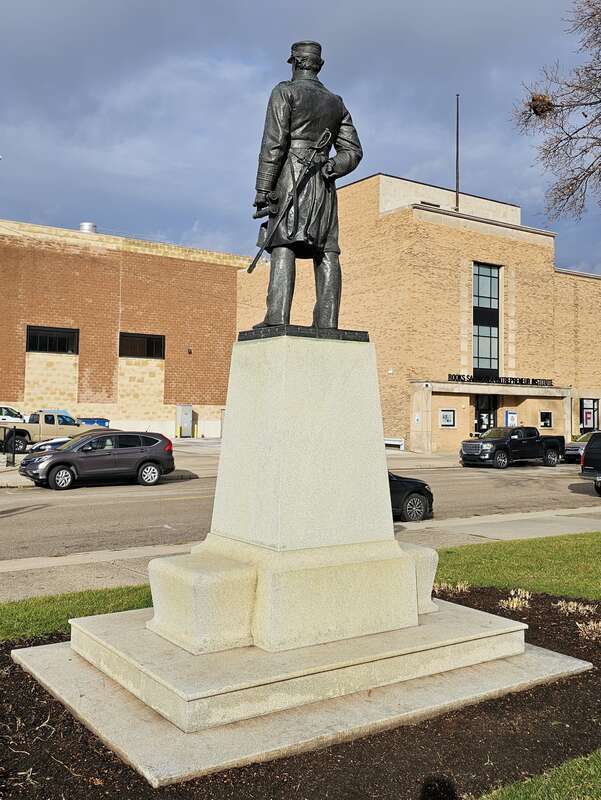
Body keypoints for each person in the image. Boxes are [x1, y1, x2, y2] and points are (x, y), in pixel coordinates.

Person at [252, 40, 363, 329]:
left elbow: (274, 145)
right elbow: (353, 151)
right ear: (319, 65)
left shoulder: (284, 92)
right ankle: (327, 322)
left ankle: (277, 316)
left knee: (283, 243)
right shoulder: (336, 102)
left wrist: (263, 189)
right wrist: (332, 166)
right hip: (323, 184)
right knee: (326, 248)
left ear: (293, 62)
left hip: (290, 177)